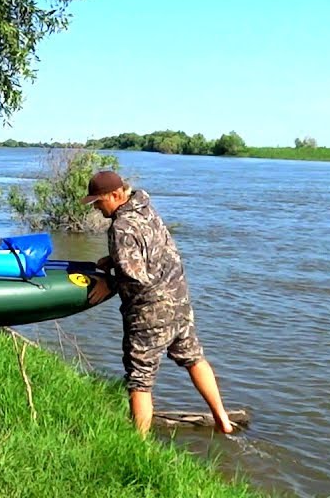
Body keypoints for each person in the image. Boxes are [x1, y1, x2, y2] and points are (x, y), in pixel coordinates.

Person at [83, 169, 235, 435]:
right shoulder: (145, 208)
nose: (97, 207)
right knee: (194, 358)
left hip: (149, 313)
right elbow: (155, 250)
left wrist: (110, 282)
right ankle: (222, 419)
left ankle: (138, 445)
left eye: (99, 201)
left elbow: (135, 278)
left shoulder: (121, 226)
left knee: (140, 380)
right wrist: (115, 259)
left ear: (116, 195)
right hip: (179, 301)